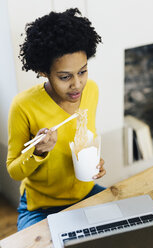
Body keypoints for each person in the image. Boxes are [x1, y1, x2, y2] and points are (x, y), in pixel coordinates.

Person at [6, 8, 106, 231]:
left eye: (82, 71)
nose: (77, 84)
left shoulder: (92, 90)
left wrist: (96, 162)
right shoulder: (23, 105)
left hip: (85, 192)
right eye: (64, 77)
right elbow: (13, 170)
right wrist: (39, 152)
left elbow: (88, 137)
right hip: (41, 206)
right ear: (43, 71)